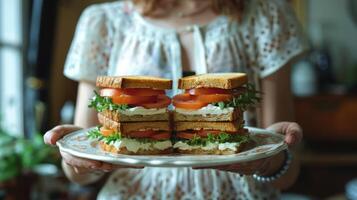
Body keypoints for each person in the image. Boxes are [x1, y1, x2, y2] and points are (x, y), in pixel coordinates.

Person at [44, 0, 306, 199]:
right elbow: (79, 174)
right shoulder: (103, 20)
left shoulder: (266, 14)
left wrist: (271, 157)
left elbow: (287, 174)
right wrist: (76, 155)